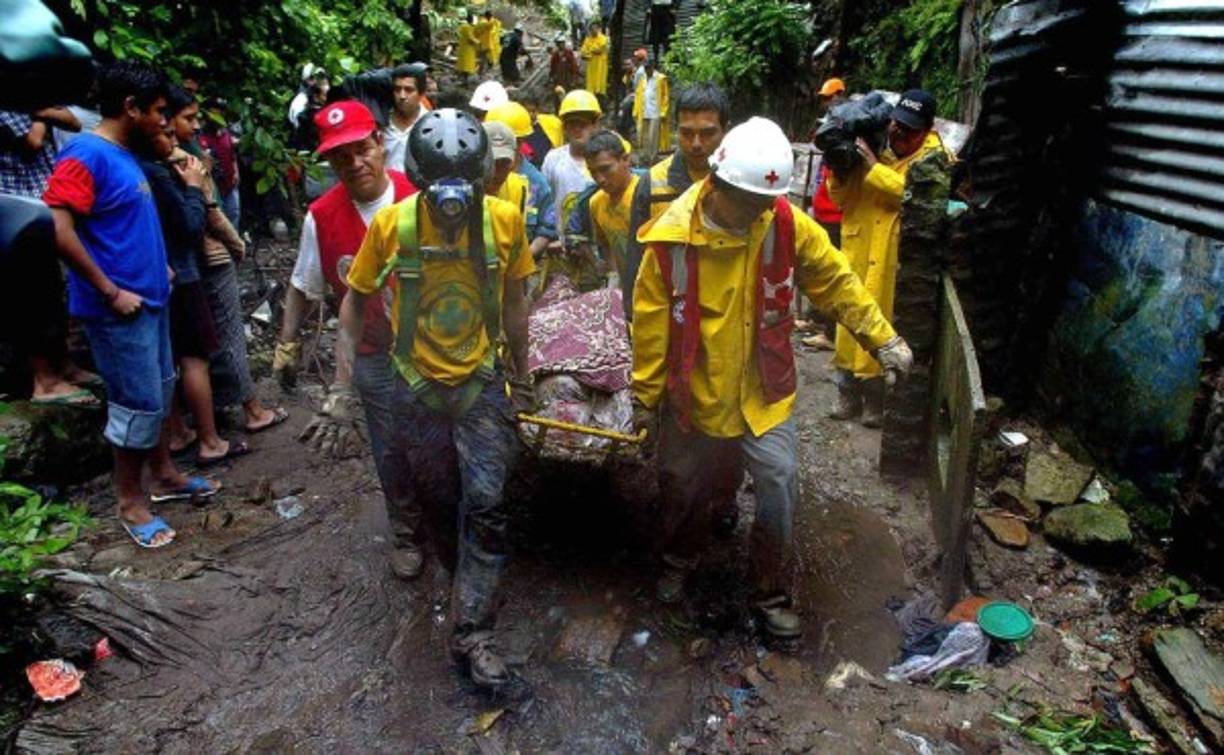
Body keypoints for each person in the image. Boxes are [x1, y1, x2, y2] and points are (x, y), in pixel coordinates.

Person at [631, 116, 913, 640]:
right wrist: (646, 398)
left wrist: (882, 338)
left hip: (764, 391)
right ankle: (679, 559)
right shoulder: (671, 240)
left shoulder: (782, 221)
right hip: (698, 393)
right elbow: (650, 326)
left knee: (778, 481)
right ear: (716, 184)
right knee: (682, 483)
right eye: (750, 202)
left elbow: (834, 279)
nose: (759, 213)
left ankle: (770, 592)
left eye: (766, 204)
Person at [340, 108, 535, 688]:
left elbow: (516, 303)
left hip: (477, 380)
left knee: (486, 498)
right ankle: (461, 577)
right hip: (417, 382)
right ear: (420, 183)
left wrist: (520, 376)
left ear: (484, 180)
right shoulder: (393, 226)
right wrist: (337, 388)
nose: (451, 205)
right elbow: (353, 304)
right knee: (438, 498)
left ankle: (473, 628)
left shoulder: (504, 221)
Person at [44, 61, 221, 548]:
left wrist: (158, 267)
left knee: (160, 393)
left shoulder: (123, 154)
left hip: (150, 301)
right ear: (130, 108)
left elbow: (122, 226)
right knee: (135, 405)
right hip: (118, 309)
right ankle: (129, 501)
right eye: (160, 112)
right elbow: (59, 230)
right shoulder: (85, 155)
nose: (166, 122)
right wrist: (110, 290)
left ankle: (164, 476)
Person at [274, 100, 421, 575]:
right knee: (389, 443)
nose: (355, 164)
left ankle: (445, 518)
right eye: (341, 157)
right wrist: (287, 345)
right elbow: (304, 284)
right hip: (373, 352)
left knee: (438, 436)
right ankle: (404, 531)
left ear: (380, 142)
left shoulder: (418, 195)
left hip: (432, 349)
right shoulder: (321, 216)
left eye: (362, 149)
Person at [171, 90, 288, 435]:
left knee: (198, 343)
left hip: (187, 264)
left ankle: (201, 419)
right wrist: (237, 245)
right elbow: (211, 215)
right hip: (211, 255)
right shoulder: (183, 162)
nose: (195, 126)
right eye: (187, 119)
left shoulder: (177, 156)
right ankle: (252, 409)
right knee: (228, 333)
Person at [828, 88, 947, 427]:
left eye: (910, 130)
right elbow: (839, 198)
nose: (899, 134)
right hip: (859, 247)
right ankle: (845, 393)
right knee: (848, 320)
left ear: (927, 130)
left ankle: (874, 401)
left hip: (893, 258)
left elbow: (913, 196)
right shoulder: (872, 142)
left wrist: (872, 167)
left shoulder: (935, 159)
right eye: (897, 125)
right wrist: (841, 169)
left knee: (883, 325)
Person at [142, 86, 242, 468]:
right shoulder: (165, 174)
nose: (175, 138)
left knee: (170, 358)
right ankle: (210, 439)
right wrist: (195, 188)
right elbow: (191, 224)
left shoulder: (140, 169)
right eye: (165, 133)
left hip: (159, 274)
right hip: (182, 271)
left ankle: (180, 432)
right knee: (194, 357)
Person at [1, 103, 103, 406]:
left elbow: (71, 121)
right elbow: (32, 140)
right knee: (30, 298)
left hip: (39, 202)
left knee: (52, 290)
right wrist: (41, 112)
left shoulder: (26, 97)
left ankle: (64, 366)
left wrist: (37, 109)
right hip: (14, 210)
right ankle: (45, 381)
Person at [622, 81, 728, 315]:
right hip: (668, 307)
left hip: (727, 308)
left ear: (725, 130)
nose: (697, 144)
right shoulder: (653, 183)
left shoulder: (740, 183)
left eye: (708, 133)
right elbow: (637, 256)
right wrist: (633, 315)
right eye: (687, 133)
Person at [800, 77, 849, 351]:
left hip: (835, 216)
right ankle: (817, 320)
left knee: (831, 273)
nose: (826, 102)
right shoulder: (830, 126)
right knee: (814, 270)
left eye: (829, 97)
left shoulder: (846, 130)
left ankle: (830, 332)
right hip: (822, 210)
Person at [483, 106, 557, 258]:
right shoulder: (474, 178)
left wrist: (523, 259)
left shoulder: (536, 182)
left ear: (520, 141)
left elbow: (548, 228)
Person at [577, 129, 638, 302]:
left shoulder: (643, 196)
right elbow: (604, 243)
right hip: (627, 289)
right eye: (593, 172)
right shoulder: (596, 203)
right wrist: (614, 275)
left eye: (605, 169)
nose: (600, 179)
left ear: (625, 160)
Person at [541, 89, 599, 242]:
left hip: (596, 245)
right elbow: (546, 201)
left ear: (594, 125)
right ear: (565, 128)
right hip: (559, 246)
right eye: (572, 124)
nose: (577, 129)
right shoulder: (554, 159)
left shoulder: (603, 162)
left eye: (583, 124)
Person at [198, 98, 242, 231]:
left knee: (233, 213)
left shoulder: (226, 133)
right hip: (213, 185)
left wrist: (236, 172)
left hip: (229, 182)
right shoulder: (200, 136)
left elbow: (232, 154)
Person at [384, 63, 428, 175]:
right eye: (397, 89)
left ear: (421, 94)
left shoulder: (430, 124)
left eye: (409, 90)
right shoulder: (381, 122)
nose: (402, 96)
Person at [633, 57, 669, 165]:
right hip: (644, 111)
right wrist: (636, 110)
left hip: (655, 112)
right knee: (643, 136)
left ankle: (652, 159)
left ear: (653, 67)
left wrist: (663, 111)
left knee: (653, 136)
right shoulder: (642, 79)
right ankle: (644, 157)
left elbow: (665, 96)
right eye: (645, 68)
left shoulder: (661, 78)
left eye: (648, 68)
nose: (647, 70)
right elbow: (638, 95)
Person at [580, 22, 609, 98]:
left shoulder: (603, 38)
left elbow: (599, 50)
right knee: (591, 84)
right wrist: (591, 51)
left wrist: (590, 50)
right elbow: (583, 52)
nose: (594, 30)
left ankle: (601, 98)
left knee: (600, 83)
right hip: (591, 65)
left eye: (596, 28)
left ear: (599, 29)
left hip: (600, 65)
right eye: (592, 29)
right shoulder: (588, 39)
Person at [287, 62, 319, 127]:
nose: (315, 81)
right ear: (306, 80)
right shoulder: (301, 99)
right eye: (312, 78)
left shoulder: (317, 96)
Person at [456, 13, 480, 81]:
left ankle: (463, 78)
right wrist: (478, 42)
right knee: (466, 65)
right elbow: (470, 38)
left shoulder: (463, 26)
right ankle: (465, 79)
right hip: (468, 49)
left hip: (463, 47)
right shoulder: (467, 27)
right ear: (471, 20)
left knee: (464, 64)